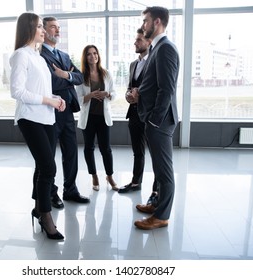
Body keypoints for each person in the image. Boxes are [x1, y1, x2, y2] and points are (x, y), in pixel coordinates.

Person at [9, 12, 65, 240]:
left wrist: (55, 98)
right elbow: (17, 92)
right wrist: (49, 100)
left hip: (47, 118)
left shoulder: (39, 57)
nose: (44, 30)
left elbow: (40, 89)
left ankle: (38, 207)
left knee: (42, 168)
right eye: (41, 26)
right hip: (30, 118)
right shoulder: (20, 56)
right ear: (29, 28)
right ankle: (45, 216)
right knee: (49, 169)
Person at [130, 6, 180, 230]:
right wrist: (140, 94)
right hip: (153, 118)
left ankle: (162, 216)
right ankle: (157, 204)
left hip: (159, 121)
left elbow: (166, 90)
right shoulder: (156, 48)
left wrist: (153, 120)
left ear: (157, 22)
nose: (143, 26)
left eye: (145, 21)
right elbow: (154, 84)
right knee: (159, 169)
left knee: (164, 171)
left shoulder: (165, 48)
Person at [40, 16, 90, 208]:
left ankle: (70, 190)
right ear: (44, 31)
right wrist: (65, 77)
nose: (58, 31)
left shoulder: (64, 56)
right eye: (53, 27)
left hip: (67, 111)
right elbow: (50, 82)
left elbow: (80, 77)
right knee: (49, 155)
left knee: (71, 152)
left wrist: (65, 74)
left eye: (59, 27)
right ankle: (51, 193)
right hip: (50, 111)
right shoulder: (40, 56)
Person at [118, 28, 158, 202]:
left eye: (139, 40)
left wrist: (138, 93)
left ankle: (156, 191)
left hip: (150, 114)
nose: (135, 42)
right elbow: (130, 86)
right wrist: (128, 95)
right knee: (138, 151)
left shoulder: (155, 62)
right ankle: (136, 182)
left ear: (148, 42)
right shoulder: (133, 64)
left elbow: (157, 87)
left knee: (156, 154)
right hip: (134, 113)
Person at [76, 45, 118, 192]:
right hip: (88, 118)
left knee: (106, 149)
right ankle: (94, 175)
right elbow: (78, 99)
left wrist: (107, 94)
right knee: (89, 148)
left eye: (95, 53)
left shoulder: (105, 74)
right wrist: (91, 95)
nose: (92, 56)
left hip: (103, 117)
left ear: (98, 56)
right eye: (89, 54)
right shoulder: (81, 76)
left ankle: (110, 176)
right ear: (85, 57)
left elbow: (114, 93)